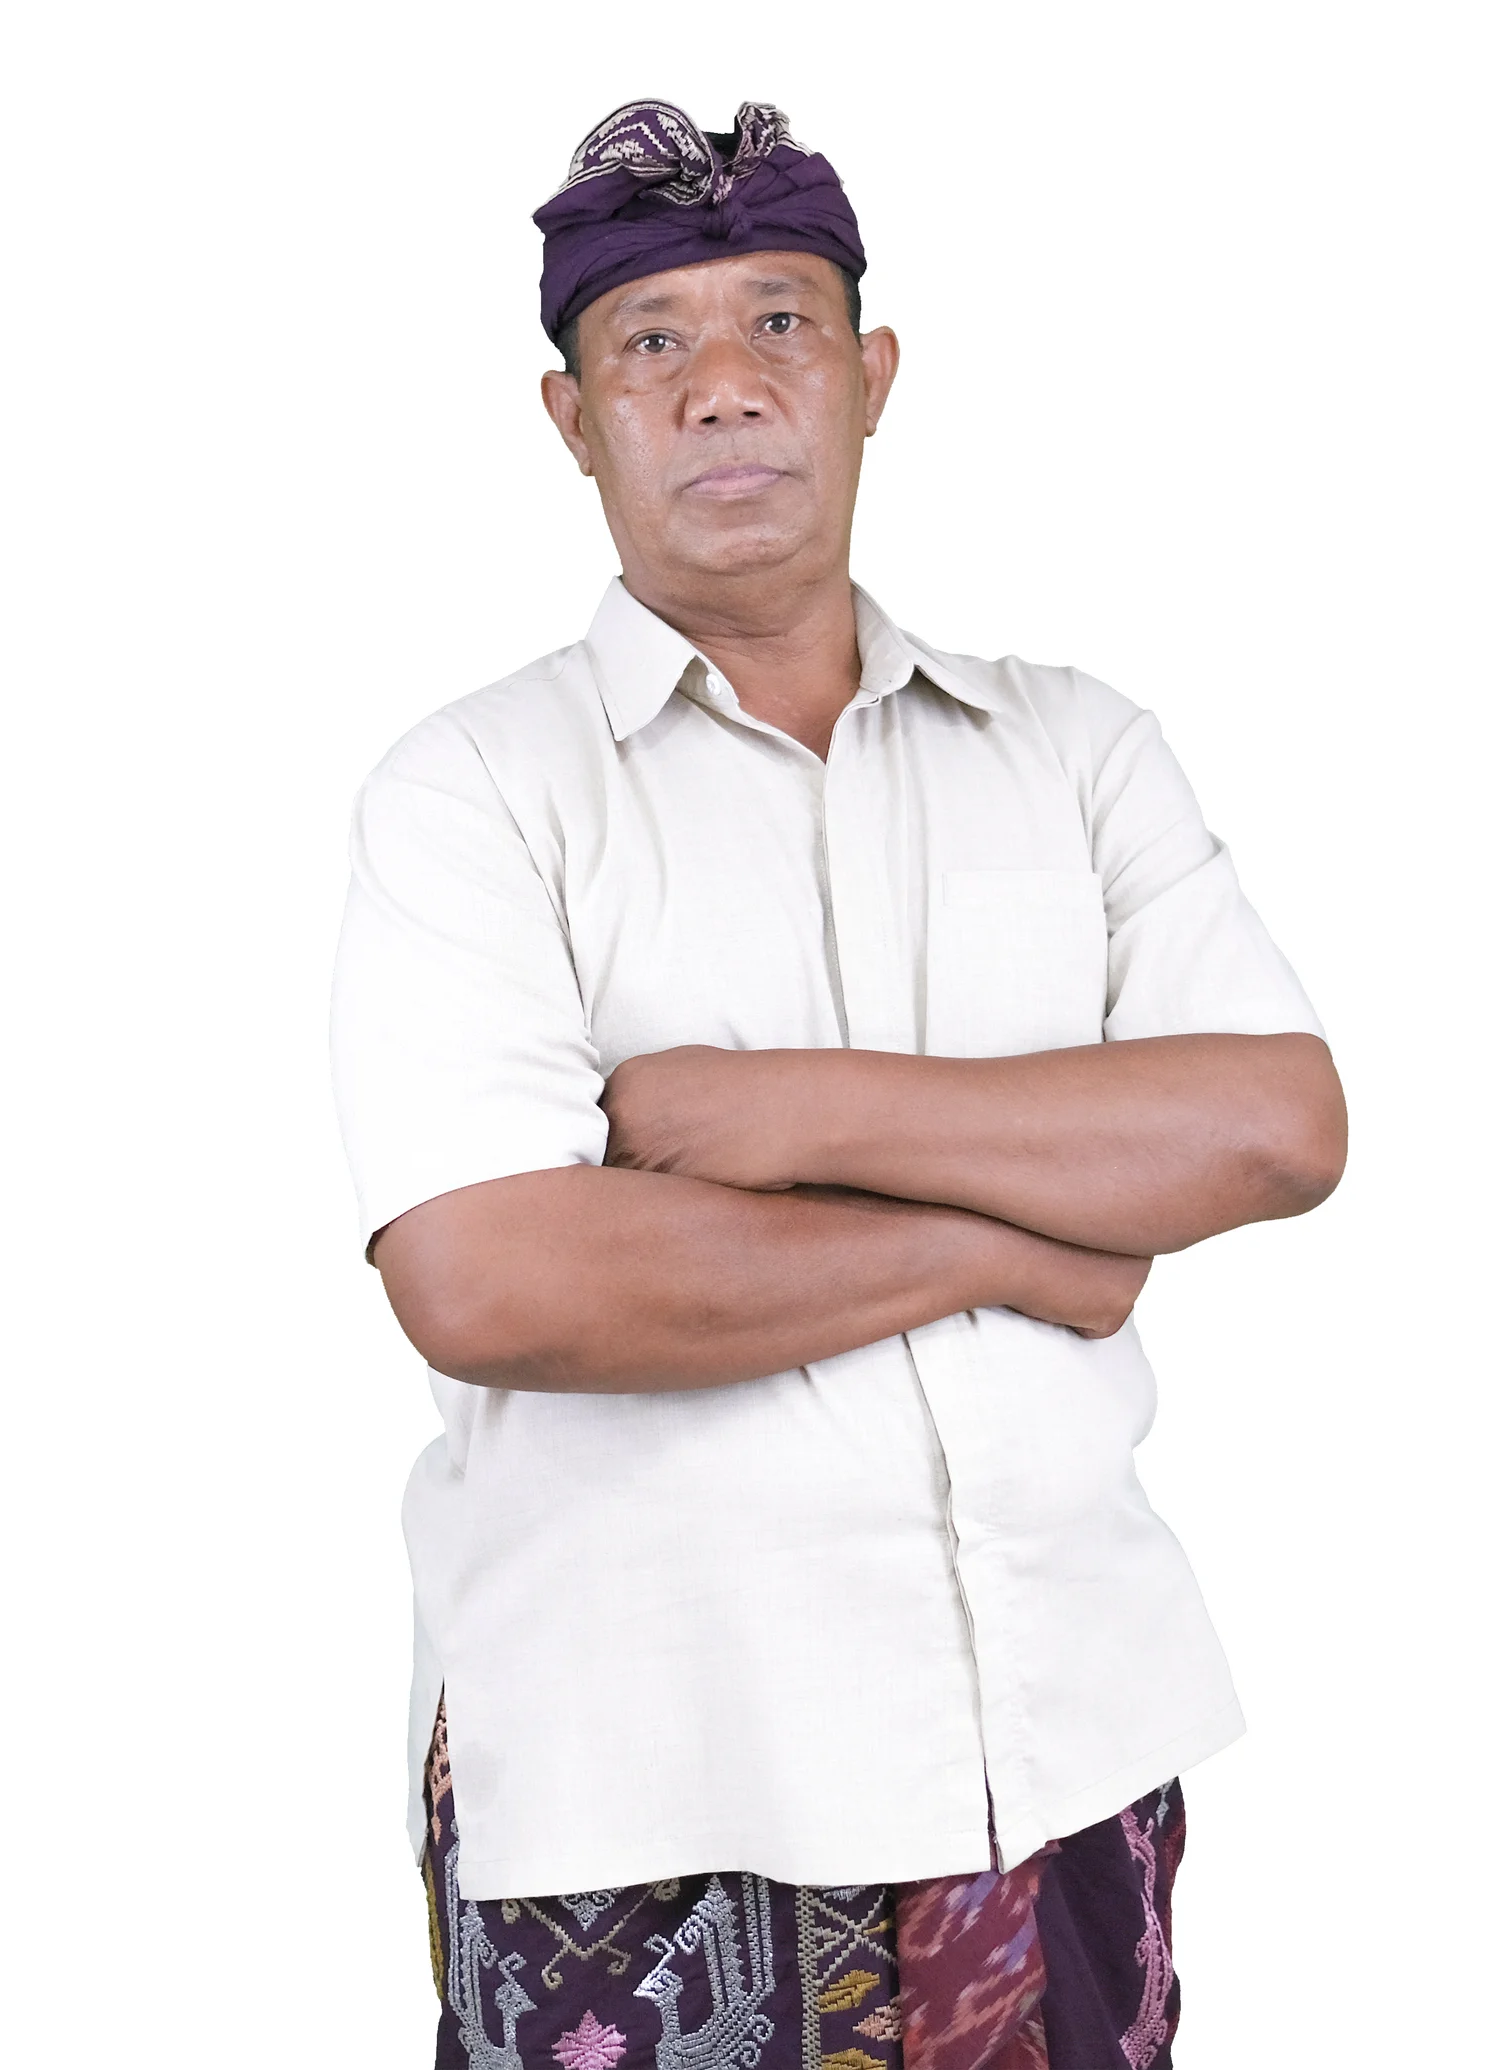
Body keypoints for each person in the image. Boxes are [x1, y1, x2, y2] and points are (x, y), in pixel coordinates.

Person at [331, 97, 1346, 2070]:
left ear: (870, 379)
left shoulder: (1073, 750)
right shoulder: (473, 794)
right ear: (571, 418)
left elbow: (1272, 1125)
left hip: (1063, 1753)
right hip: (645, 1791)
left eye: (778, 324)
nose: (722, 385)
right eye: (652, 341)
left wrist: (794, 1114)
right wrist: (1019, 1242)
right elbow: (489, 1279)